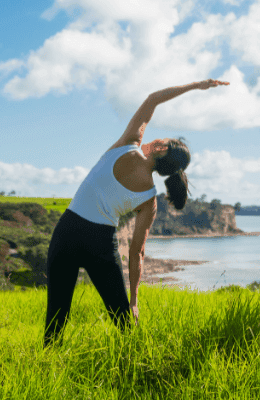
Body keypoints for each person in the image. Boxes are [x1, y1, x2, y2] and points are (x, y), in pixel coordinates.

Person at [45, 79, 229, 344]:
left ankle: (49, 357)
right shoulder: (149, 199)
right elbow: (137, 253)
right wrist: (133, 301)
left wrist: (196, 86)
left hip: (68, 231)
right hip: (101, 244)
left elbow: (153, 98)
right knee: (124, 325)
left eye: (163, 139)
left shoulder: (128, 144)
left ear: (161, 148)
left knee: (56, 319)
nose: (157, 138)